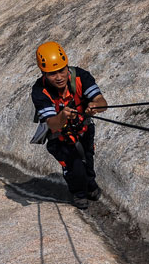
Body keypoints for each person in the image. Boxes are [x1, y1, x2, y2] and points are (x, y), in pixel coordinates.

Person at [30, 41, 108, 209]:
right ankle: (79, 194)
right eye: (52, 73)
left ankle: (91, 186)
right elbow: (51, 124)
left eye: (62, 70)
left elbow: (101, 101)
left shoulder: (80, 77)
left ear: (67, 67)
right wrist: (63, 117)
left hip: (84, 129)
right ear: (43, 73)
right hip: (60, 137)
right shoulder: (40, 91)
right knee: (74, 168)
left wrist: (95, 105)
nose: (59, 77)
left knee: (88, 159)